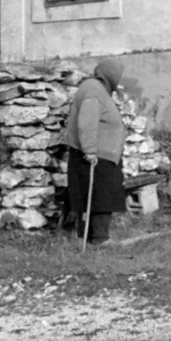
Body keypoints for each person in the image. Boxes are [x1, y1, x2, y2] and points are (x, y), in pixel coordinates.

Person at [58, 59, 126, 246]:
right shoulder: (93, 90)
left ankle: (92, 237)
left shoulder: (96, 89)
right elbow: (87, 121)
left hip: (102, 155)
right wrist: (89, 150)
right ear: (111, 75)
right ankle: (99, 239)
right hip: (96, 155)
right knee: (100, 196)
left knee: (100, 194)